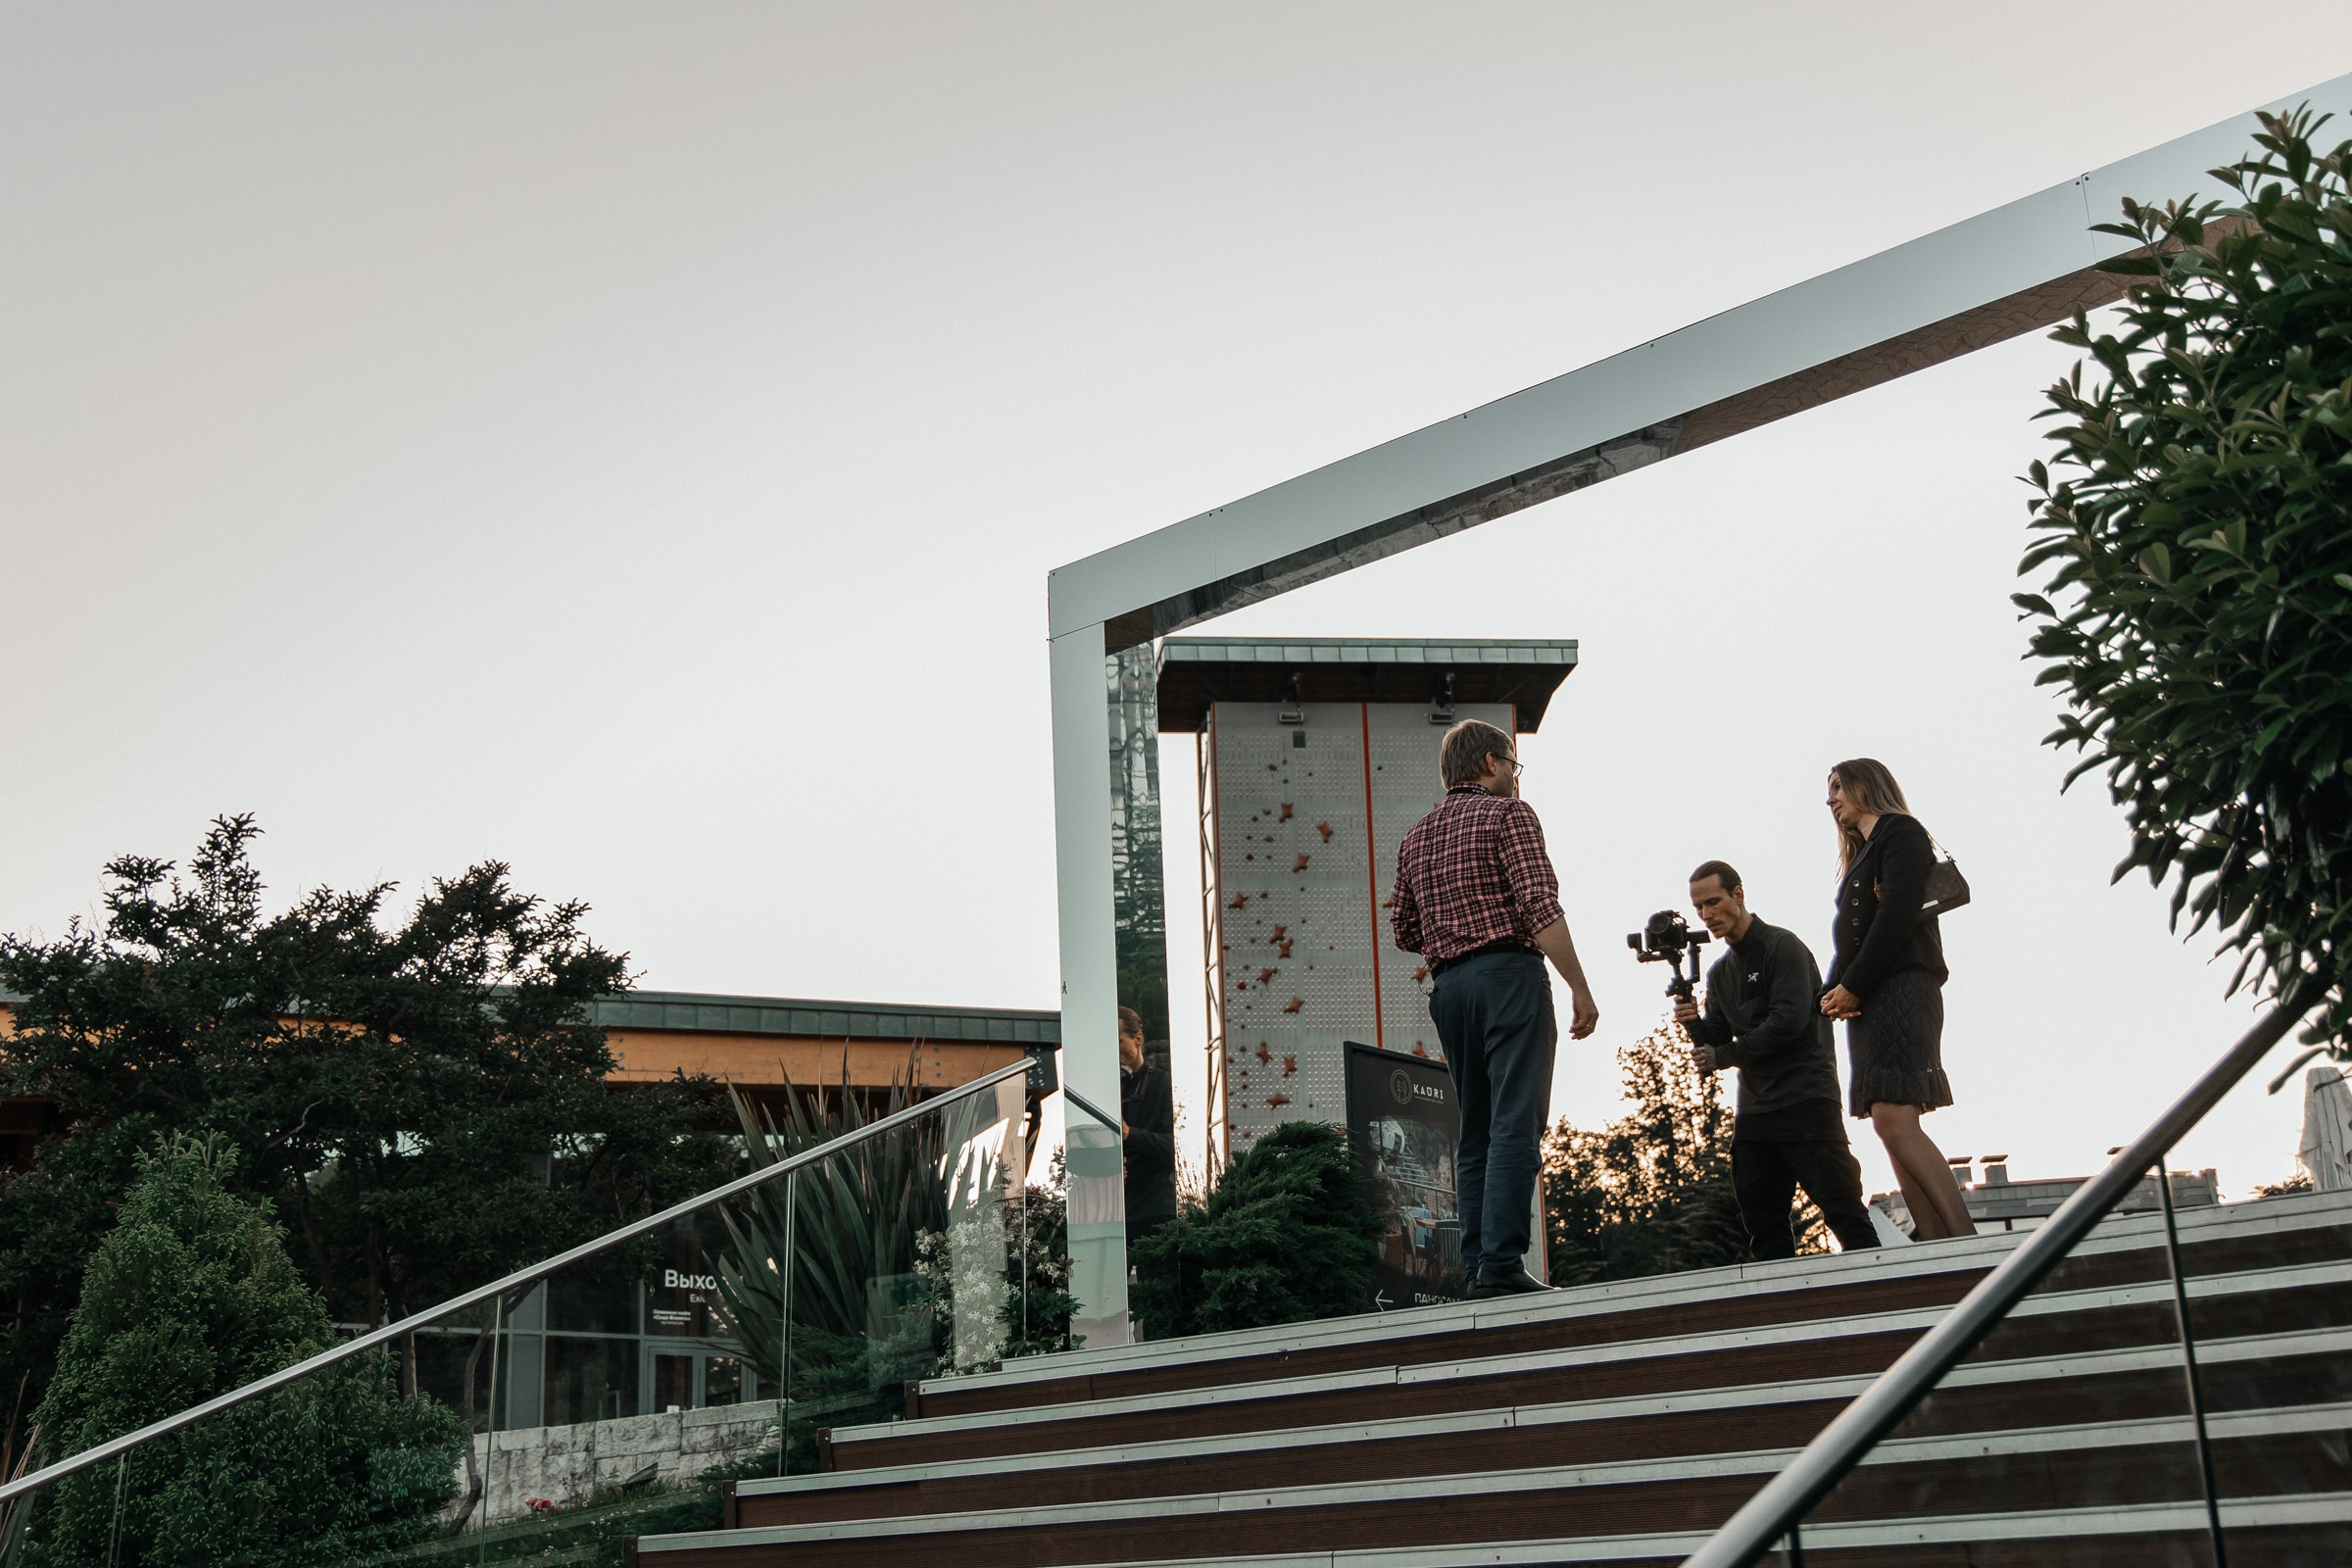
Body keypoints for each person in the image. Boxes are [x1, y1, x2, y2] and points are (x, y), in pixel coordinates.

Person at [1390, 718, 1599, 1298]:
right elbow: (1538, 905)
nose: (1515, 775)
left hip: (1450, 991)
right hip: (1508, 975)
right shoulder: (1511, 816)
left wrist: (1450, 923)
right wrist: (1579, 985)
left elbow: (1405, 929)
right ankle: (1504, 1263)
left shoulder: (1416, 837)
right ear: (1489, 762)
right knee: (1516, 1120)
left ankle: (1479, 1265)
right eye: (1512, 763)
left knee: (1476, 1129)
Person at [1672, 860, 1879, 1258]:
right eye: (1699, 908)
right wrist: (1693, 1020)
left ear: (1738, 894)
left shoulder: (1783, 947)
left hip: (1806, 1098)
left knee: (1843, 1212)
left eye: (1713, 902)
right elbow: (1716, 1035)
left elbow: (1788, 1023)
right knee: (1763, 1225)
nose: (1707, 915)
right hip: (1756, 1110)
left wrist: (1723, 1055)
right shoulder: (1719, 973)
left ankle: (1883, 1300)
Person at [1818, 758, 1976, 1240]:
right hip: (1872, 995)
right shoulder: (1863, 854)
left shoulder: (1899, 832)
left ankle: (1963, 1242)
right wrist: (1825, 997)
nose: (1831, 799)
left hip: (1902, 987)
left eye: (1840, 786)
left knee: (1894, 1115)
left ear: (1870, 784)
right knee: (1888, 1125)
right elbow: (1852, 941)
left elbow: (1897, 917)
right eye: (1829, 792)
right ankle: (1934, 1245)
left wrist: (1853, 987)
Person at [1116, 1005, 1177, 1253]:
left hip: (1155, 1208)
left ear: (1138, 1038)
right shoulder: (1106, 1088)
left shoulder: (1164, 1083)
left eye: (1117, 1041)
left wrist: (1130, 1134)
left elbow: (1174, 1147)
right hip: (1115, 1208)